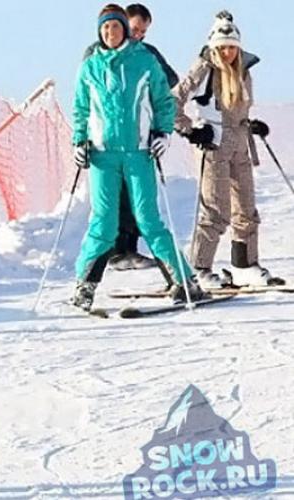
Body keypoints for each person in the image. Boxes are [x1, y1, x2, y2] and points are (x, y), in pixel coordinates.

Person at [70, 4, 208, 311]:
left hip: (138, 153)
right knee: (103, 223)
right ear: (99, 32)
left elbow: (163, 101)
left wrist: (162, 133)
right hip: (103, 156)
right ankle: (85, 286)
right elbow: (80, 109)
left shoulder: (145, 61)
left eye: (115, 27)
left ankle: (184, 281)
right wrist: (79, 141)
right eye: (105, 28)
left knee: (149, 219)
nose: (110, 33)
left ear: (124, 30)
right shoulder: (90, 67)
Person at [174, 11, 284, 288]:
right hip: (213, 144)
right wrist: (191, 129)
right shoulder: (204, 68)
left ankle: (244, 263)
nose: (227, 53)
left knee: (246, 208)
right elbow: (171, 102)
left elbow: (238, 108)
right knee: (215, 208)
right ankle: (199, 268)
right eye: (222, 47)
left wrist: (252, 124)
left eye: (232, 47)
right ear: (213, 46)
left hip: (240, 142)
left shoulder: (243, 70)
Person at [82, 3, 179, 273]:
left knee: (143, 205)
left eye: (143, 32)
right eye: (135, 29)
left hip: (138, 141)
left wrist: (163, 128)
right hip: (107, 143)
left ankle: (147, 256)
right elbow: (86, 98)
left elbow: (168, 85)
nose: (138, 35)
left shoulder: (145, 55)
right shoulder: (95, 55)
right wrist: (83, 138)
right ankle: (116, 251)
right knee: (111, 205)